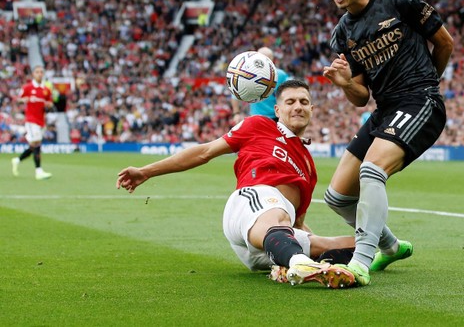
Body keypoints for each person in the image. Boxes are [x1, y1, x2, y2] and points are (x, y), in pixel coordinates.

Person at [116, 79, 356, 288]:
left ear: (312, 109)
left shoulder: (308, 166)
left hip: (270, 242)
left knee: (349, 244)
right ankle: (299, 263)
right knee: (276, 213)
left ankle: (296, 262)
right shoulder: (259, 125)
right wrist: (146, 172)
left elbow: (299, 222)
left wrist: (322, 245)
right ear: (277, 109)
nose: (297, 107)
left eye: (303, 102)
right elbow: (205, 152)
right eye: (290, 102)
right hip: (251, 203)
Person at [320, 0, 455, 286]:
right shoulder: (343, 33)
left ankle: (361, 262)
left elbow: (445, 43)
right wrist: (344, 83)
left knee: (372, 169)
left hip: (419, 99)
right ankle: (391, 247)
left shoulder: (398, 0)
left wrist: (427, 85)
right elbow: (360, 97)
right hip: (383, 110)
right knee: (336, 197)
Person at [11, 65, 54, 180]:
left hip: (41, 121)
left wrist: (49, 105)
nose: (39, 74)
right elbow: (17, 99)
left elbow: (50, 103)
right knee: (37, 143)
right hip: (31, 120)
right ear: (33, 74)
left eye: (41, 72)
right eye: (37, 72)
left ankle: (17, 160)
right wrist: (22, 100)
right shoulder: (28, 88)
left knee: (33, 146)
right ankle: (38, 171)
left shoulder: (46, 90)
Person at [231, 47, 290, 122]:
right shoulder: (249, 75)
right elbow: (235, 94)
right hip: (257, 118)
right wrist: (236, 113)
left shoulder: (281, 75)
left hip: (278, 117)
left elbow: (291, 91)